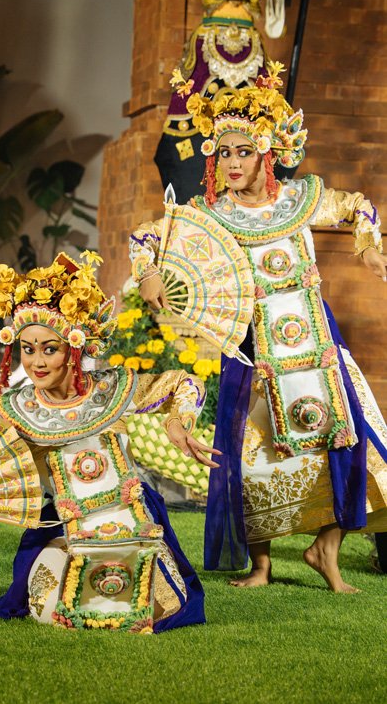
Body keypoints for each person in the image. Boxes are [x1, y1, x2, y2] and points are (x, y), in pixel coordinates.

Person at [130, 62, 387, 593]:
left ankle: (326, 550)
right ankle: (261, 565)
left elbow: (358, 207)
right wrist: (149, 272)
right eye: (223, 152)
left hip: (317, 341)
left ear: (266, 154)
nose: (232, 162)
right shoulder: (208, 213)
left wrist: (368, 246)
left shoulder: (300, 199)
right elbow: (145, 236)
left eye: (243, 151)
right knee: (248, 457)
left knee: (348, 439)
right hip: (252, 347)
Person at [0, 249, 219, 633]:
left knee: (164, 606)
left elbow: (183, 383)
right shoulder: (16, 408)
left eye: (49, 349)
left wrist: (177, 422)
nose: (36, 362)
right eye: (28, 349)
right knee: (54, 606)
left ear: (74, 347)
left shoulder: (113, 388)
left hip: (133, 522)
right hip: (66, 529)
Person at [155, 0, 290, 204]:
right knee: (189, 120)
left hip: (251, 46)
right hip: (209, 42)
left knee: (266, 121)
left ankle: (257, 198)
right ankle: (196, 197)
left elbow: (275, 26)